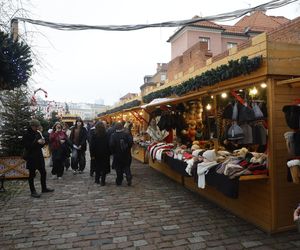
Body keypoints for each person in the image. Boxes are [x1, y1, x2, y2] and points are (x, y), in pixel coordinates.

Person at [22, 119, 54, 198]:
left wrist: (43, 142)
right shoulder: (26, 134)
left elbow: (41, 144)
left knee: (43, 172)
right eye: (36, 126)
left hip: (39, 156)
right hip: (31, 157)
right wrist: (37, 142)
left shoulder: (38, 132)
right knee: (32, 174)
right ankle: (33, 191)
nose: (37, 128)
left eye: (38, 126)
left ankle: (44, 188)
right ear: (32, 126)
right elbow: (27, 146)